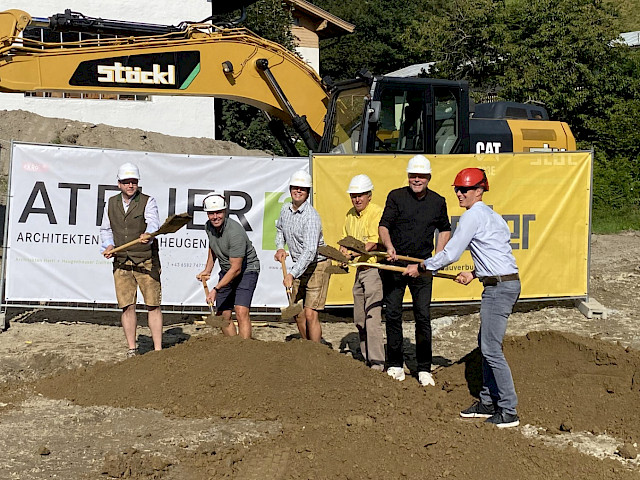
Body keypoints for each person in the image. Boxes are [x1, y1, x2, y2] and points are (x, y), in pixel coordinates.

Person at [404, 168, 521, 428]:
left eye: (464, 190)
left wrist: (423, 267)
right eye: (457, 189)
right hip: (501, 283)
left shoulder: (472, 216)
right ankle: (488, 402)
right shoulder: (493, 217)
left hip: (499, 288)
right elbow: (496, 254)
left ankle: (508, 409)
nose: (459, 193)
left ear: (479, 191)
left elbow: (451, 253)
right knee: (486, 345)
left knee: (491, 349)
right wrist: (476, 272)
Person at [379, 155, 451, 386]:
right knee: (392, 314)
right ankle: (395, 364)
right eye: (413, 175)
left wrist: (437, 258)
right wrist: (389, 247)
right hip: (396, 266)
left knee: (422, 316)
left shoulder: (438, 201)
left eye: (421, 176)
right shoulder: (396, 196)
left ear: (429, 177)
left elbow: (445, 230)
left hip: (422, 267)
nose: (416, 179)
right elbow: (383, 226)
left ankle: (423, 368)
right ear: (408, 176)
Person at [100, 162, 163, 357]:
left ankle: (158, 350)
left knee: (153, 304)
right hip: (121, 261)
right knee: (127, 305)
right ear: (119, 184)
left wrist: (149, 233)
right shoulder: (111, 203)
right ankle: (131, 349)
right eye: (126, 182)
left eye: (133, 181)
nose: (130, 185)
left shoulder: (147, 201)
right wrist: (108, 246)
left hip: (145, 260)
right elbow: (106, 229)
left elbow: (153, 222)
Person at [274, 170, 330, 343]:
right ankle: (307, 347)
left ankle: (316, 352)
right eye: (295, 188)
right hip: (299, 265)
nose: (298, 191)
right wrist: (279, 247)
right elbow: (279, 230)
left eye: (302, 189)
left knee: (310, 313)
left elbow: (310, 252)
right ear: (290, 189)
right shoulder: (285, 209)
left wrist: (292, 274)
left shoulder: (311, 217)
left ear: (307, 193)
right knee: (297, 312)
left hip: (317, 266)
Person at [196, 192, 260, 339]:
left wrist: (216, 289)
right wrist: (208, 270)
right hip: (227, 270)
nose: (215, 216)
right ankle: (233, 347)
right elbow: (213, 247)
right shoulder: (209, 227)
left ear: (224, 212)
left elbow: (236, 268)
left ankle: (244, 348)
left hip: (247, 270)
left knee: (241, 310)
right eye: (211, 213)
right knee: (222, 314)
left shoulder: (235, 233)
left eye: (218, 212)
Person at [340, 174, 385, 371]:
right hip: (359, 270)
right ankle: (367, 358)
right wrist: (343, 253)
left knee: (372, 317)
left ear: (369, 196)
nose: (357, 199)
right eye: (354, 196)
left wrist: (353, 252)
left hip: (374, 269)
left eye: (361, 195)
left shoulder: (376, 213)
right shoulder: (350, 214)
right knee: (359, 318)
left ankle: (377, 363)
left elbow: (373, 243)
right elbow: (345, 239)